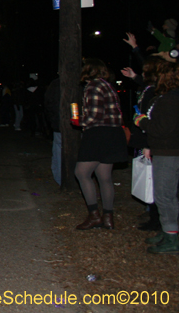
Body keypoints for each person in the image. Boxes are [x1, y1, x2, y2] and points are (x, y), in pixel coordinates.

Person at [72, 58, 128, 230]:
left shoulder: (93, 86)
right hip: (113, 133)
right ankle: (108, 217)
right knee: (104, 177)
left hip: (99, 134)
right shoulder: (107, 85)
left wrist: (78, 121)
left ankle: (94, 215)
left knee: (81, 173)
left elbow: (95, 116)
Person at [134, 63, 179, 253]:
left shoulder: (170, 100)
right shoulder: (168, 98)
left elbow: (163, 129)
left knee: (164, 196)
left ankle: (171, 239)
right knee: (166, 195)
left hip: (168, 153)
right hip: (165, 151)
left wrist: (142, 121)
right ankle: (168, 231)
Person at [44, 75, 61, 185]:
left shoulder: (55, 84)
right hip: (62, 124)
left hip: (59, 124)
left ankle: (60, 178)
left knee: (58, 151)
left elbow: (48, 103)